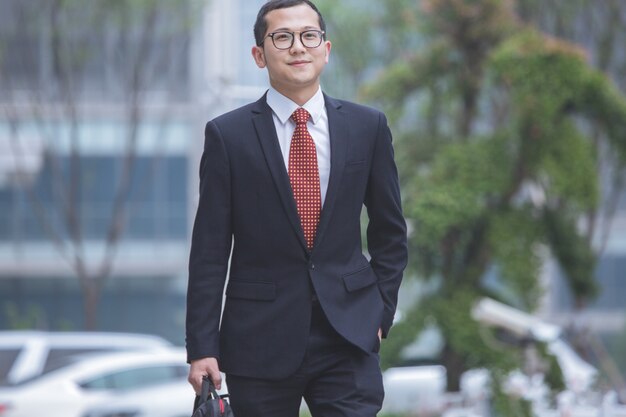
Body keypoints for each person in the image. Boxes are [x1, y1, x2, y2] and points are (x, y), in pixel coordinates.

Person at [186, 1, 408, 416]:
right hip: (259, 339)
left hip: (348, 332)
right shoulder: (227, 136)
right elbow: (209, 252)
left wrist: (381, 312)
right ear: (259, 54)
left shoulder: (367, 127)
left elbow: (389, 232)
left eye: (309, 36)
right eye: (282, 37)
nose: (298, 47)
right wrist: (202, 347)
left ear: (326, 48)